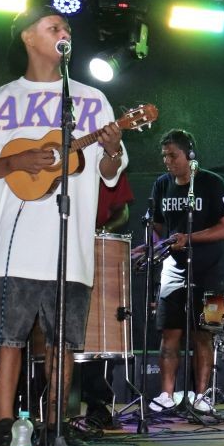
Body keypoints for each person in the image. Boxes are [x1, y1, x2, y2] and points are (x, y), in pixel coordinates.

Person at [0, 5, 126, 446]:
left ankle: (56, 428)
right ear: (29, 39)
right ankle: (2, 425)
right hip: (12, 249)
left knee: (63, 343)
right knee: (8, 340)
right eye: (54, 27)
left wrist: (110, 148)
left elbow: (110, 172)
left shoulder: (92, 100)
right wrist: (16, 162)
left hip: (68, 249)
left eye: (67, 27)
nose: (64, 32)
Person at [148, 129, 224, 414]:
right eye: (164, 156)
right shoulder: (161, 185)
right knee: (169, 334)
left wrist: (190, 237)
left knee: (202, 335)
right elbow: (156, 226)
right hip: (172, 271)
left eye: (172, 155)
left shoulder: (211, 183)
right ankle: (166, 394)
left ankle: (201, 396)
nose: (167, 161)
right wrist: (156, 246)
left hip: (206, 270)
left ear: (190, 156)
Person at [78, 172, 136, 428]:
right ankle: (40, 404)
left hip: (96, 249)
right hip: (57, 248)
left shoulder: (108, 168)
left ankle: (97, 405)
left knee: (100, 332)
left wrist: (102, 231)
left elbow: (122, 211)